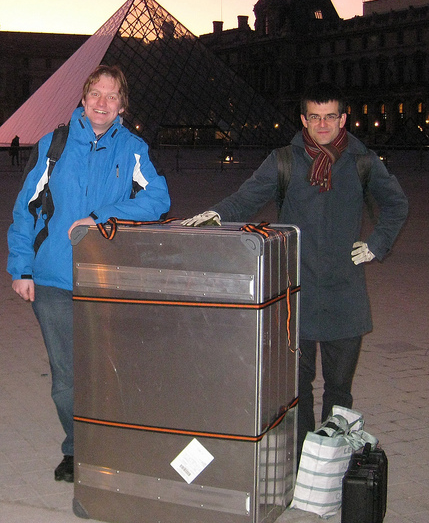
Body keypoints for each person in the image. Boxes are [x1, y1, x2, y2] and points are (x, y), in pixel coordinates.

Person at [182, 82, 408, 460]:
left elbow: (396, 205)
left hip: (344, 293)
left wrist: (376, 245)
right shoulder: (284, 159)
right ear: (304, 119)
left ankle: (332, 463)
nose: (323, 125)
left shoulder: (362, 160)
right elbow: (247, 197)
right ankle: (303, 461)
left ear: (343, 119)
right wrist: (218, 214)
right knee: (297, 389)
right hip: (296, 292)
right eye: (315, 117)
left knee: (339, 389)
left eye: (330, 117)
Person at [7, 65, 170, 483]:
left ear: (122, 105)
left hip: (108, 278)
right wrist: (21, 268)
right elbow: (26, 208)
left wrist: (102, 217)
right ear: (82, 98)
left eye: (111, 96)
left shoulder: (133, 148)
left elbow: (158, 199)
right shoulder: (53, 145)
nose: (101, 103)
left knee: (110, 369)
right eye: (94, 93)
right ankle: (76, 449)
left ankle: (109, 444)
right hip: (53, 279)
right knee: (66, 378)